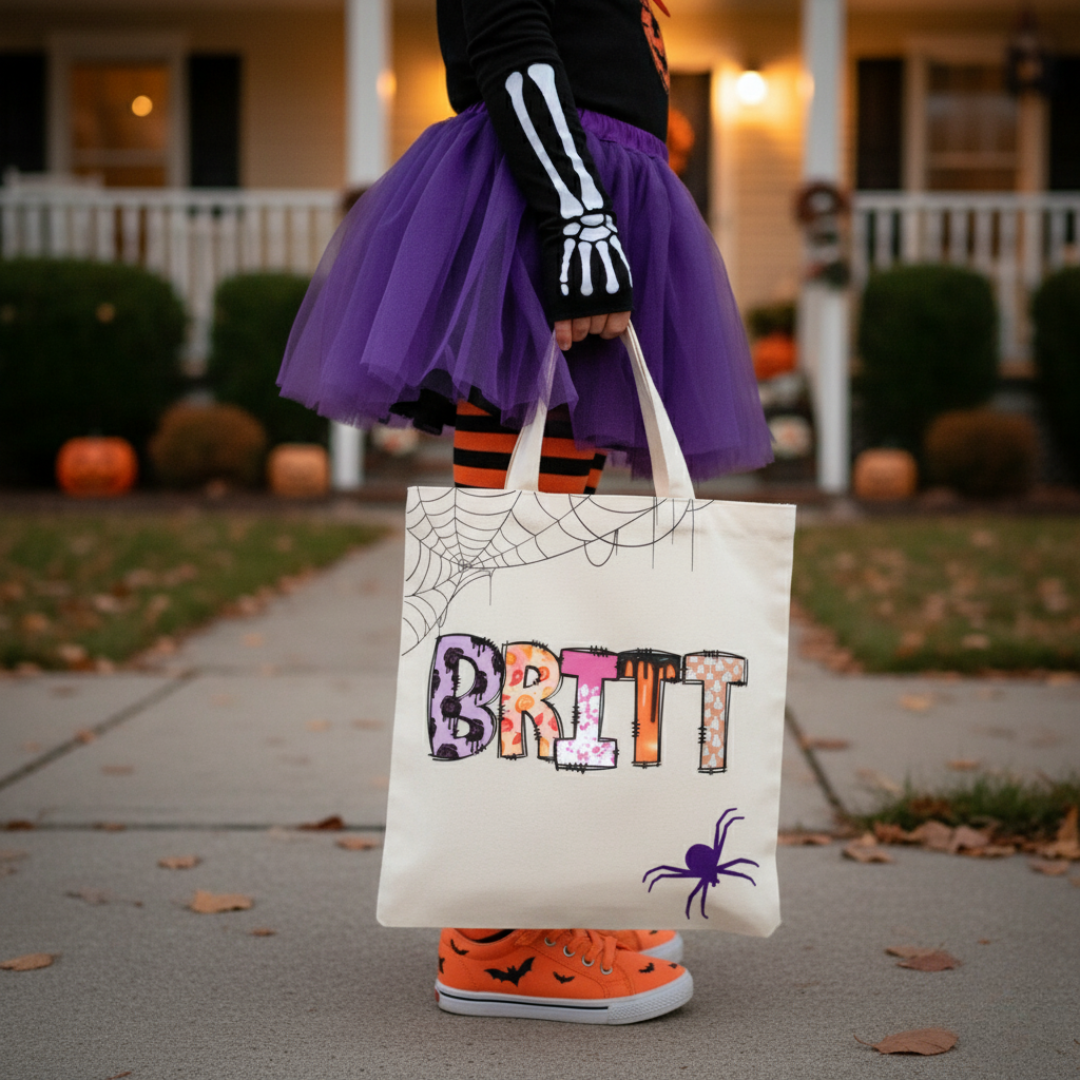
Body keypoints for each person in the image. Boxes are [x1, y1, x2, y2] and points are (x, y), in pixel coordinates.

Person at [278, 0, 773, 1024]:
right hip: (541, 199)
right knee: (522, 581)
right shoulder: (558, 193)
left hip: (580, 187)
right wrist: (576, 212)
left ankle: (548, 887)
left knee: (553, 574)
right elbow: (499, 26)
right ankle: (506, 926)